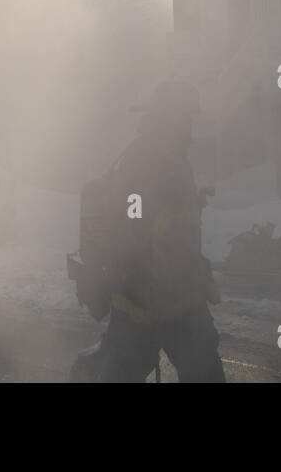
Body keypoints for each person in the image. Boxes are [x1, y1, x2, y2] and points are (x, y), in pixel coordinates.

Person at [71, 81, 225, 382]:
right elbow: (131, 224)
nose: (189, 126)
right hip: (142, 303)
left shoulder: (174, 157)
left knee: (204, 373)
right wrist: (139, 276)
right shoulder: (143, 161)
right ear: (168, 118)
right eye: (184, 117)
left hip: (182, 297)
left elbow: (168, 220)